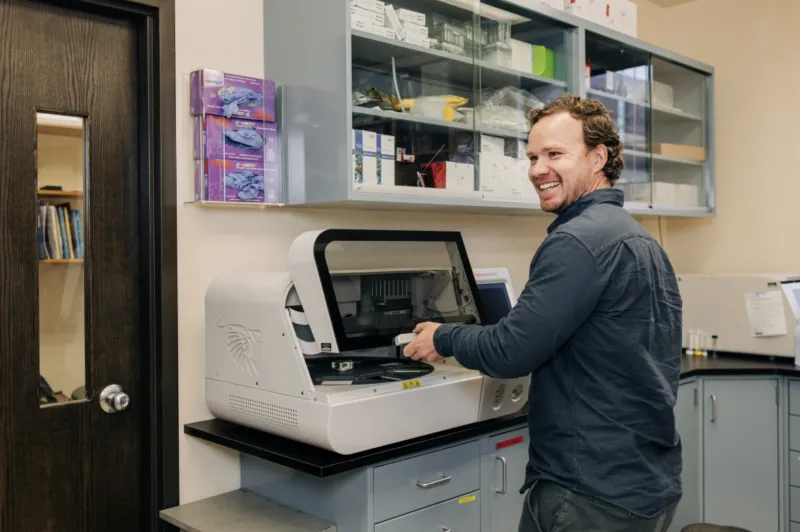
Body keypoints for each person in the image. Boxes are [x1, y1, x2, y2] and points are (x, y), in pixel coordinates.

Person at [403, 93, 683, 532]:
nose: (537, 169)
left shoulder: (577, 242)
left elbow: (511, 351)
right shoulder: (638, 238)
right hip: (646, 482)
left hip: (588, 491)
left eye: (554, 154)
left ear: (598, 157)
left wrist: (442, 337)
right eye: (532, 156)